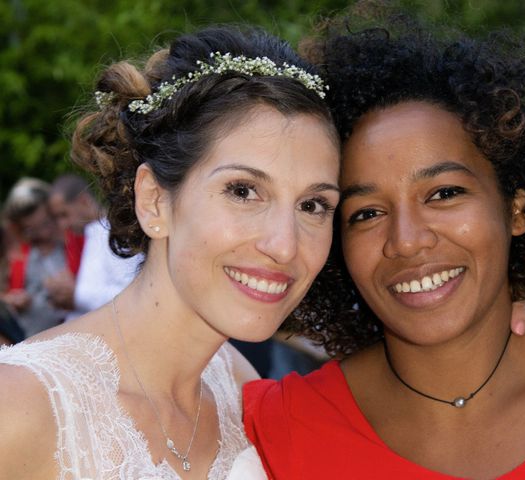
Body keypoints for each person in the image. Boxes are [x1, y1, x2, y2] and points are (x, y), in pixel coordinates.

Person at [243, 7, 525, 478]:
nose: (407, 242)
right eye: (366, 213)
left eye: (444, 194)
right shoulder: (280, 428)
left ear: (516, 209)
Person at [0, 24, 342, 479]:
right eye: (243, 191)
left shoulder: (241, 390)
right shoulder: (22, 407)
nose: (284, 245)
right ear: (155, 201)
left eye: (313, 204)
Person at [48, 173, 140, 318]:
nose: (62, 224)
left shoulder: (116, 234)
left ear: (83, 201)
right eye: (57, 217)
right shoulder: (89, 234)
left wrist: (76, 294)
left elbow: (132, 295)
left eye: (64, 214)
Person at [1, 177, 77, 337]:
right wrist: (12, 300)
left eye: (46, 224)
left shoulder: (72, 242)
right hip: (35, 338)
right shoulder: (18, 256)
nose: (43, 234)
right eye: (31, 230)